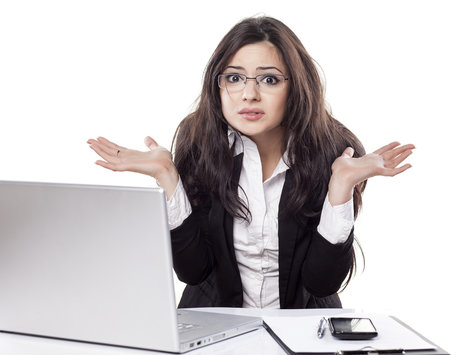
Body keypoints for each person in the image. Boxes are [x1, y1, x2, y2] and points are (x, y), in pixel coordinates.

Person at [87, 16, 414, 309]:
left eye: (269, 80)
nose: (249, 94)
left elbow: (321, 283)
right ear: (218, 85)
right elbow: (194, 270)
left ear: (295, 87)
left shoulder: (330, 153)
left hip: (301, 334)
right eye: (234, 78)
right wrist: (167, 177)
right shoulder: (200, 144)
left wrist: (341, 187)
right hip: (214, 328)